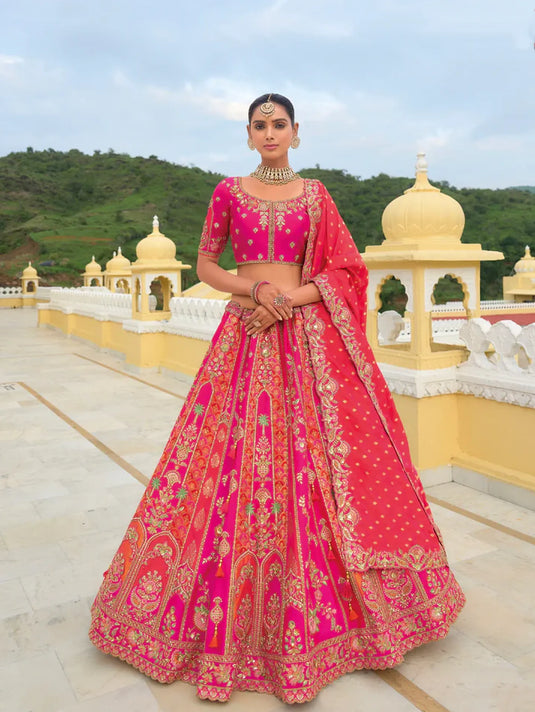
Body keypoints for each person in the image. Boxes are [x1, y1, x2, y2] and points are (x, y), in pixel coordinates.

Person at [89, 93, 465, 703]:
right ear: (248, 135)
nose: (270, 132)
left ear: (296, 132)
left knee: (319, 466)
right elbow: (207, 264)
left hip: (309, 341)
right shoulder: (227, 194)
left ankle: (348, 621)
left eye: (279, 124)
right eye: (260, 125)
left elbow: (345, 270)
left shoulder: (316, 196)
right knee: (223, 466)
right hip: (246, 331)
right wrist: (256, 291)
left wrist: (289, 301)